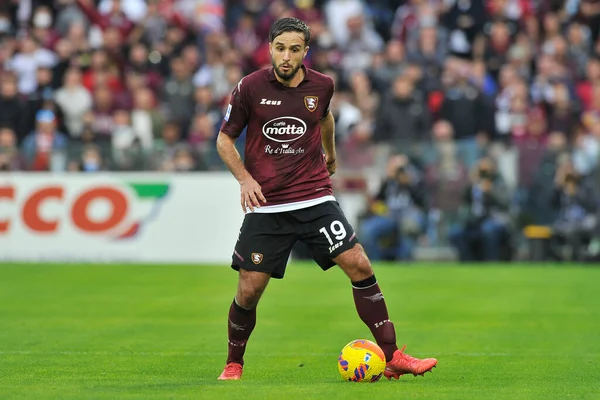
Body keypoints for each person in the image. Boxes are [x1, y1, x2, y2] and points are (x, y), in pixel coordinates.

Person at [215, 17, 437, 381]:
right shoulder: (249, 87)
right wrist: (244, 179)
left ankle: (393, 354)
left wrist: (331, 156)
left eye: (294, 49)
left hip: (314, 197)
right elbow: (224, 139)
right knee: (249, 290)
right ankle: (234, 363)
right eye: (280, 48)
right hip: (269, 205)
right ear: (270, 48)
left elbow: (325, 118)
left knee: (360, 263)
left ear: (306, 52)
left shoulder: (323, 85)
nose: (286, 56)